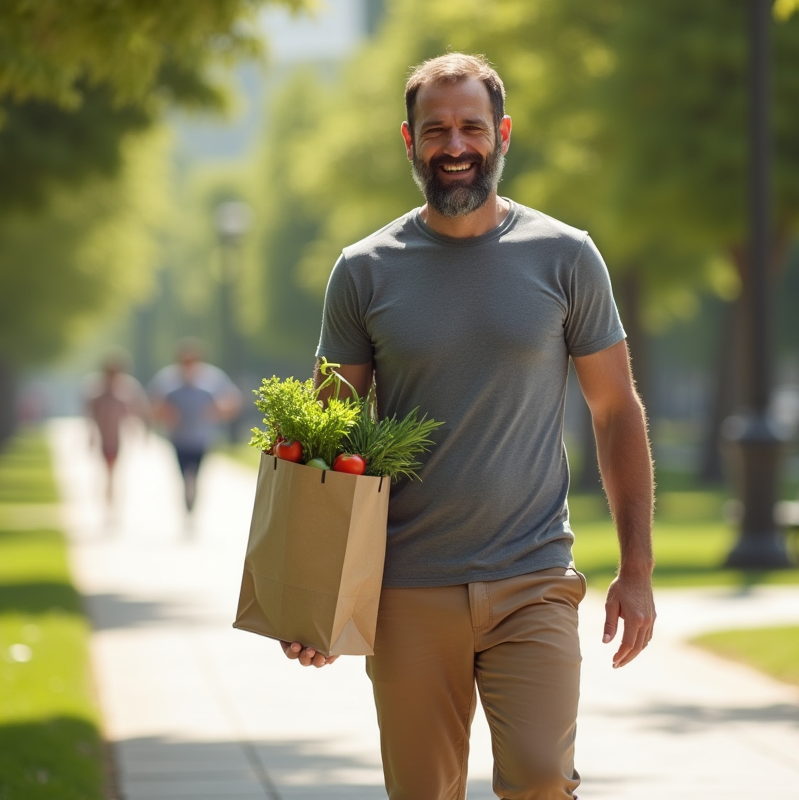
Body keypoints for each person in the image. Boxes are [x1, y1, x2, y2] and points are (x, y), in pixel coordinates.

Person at [284, 53, 657, 799]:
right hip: (407, 588)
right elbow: (326, 437)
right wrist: (312, 595)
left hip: (534, 578)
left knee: (543, 780)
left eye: (471, 128)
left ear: (503, 134)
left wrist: (637, 570)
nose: (455, 146)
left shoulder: (566, 257)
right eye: (436, 130)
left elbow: (615, 410)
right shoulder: (364, 270)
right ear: (409, 141)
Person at [148, 339, 241, 514]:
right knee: (183, 472)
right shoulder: (167, 378)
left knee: (196, 472)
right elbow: (153, 404)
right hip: (178, 437)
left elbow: (233, 400)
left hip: (202, 437)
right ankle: (187, 492)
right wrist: (165, 414)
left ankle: (192, 493)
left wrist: (217, 410)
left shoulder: (213, 377)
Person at [84, 351, 149, 505]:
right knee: (107, 469)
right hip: (104, 436)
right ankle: (108, 495)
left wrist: (140, 432)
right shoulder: (96, 390)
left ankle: (113, 496)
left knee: (116, 469)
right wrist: (91, 435)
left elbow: (138, 411)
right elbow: (91, 416)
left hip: (121, 437)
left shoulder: (129, 388)